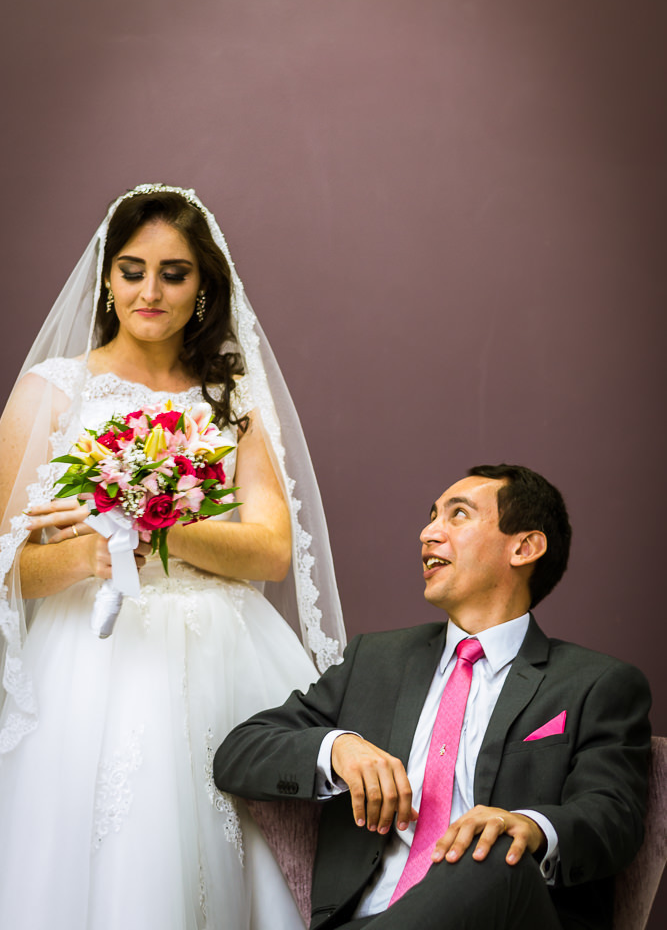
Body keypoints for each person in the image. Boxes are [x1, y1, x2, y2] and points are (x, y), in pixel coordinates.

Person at [0, 184, 346, 929]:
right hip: (94, 658)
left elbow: (270, 551)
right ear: (106, 279)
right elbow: (8, 564)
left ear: (204, 286)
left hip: (226, 648)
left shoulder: (232, 397)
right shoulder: (53, 391)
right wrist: (88, 555)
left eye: (174, 272)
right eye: (131, 270)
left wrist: (154, 523)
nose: (149, 291)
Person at [214, 464, 652, 930]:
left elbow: (613, 815)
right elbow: (239, 752)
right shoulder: (375, 660)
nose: (427, 533)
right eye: (431, 516)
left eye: (457, 515)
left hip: (506, 915)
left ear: (524, 547)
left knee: (492, 849)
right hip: (361, 920)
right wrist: (338, 747)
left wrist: (526, 826)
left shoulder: (598, 683)